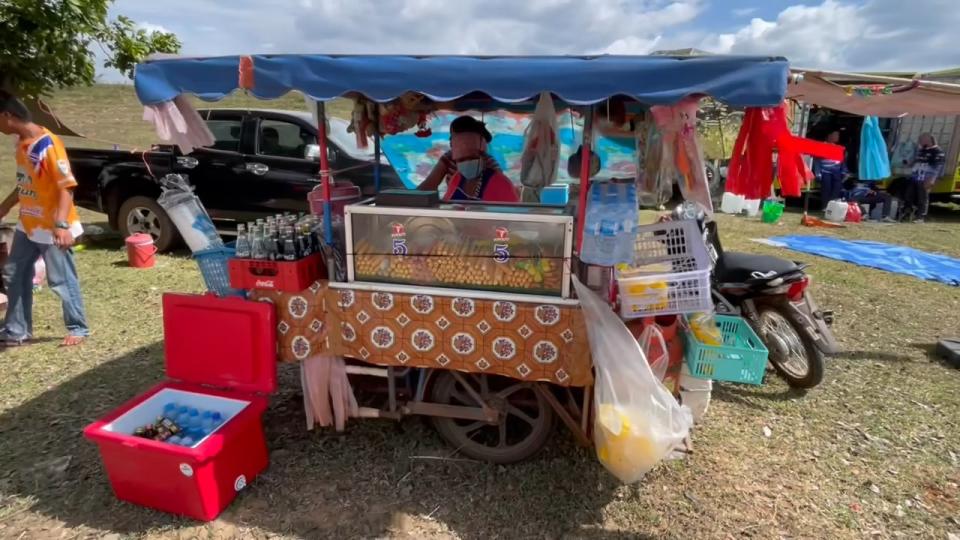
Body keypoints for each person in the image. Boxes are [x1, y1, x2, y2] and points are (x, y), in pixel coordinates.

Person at [0, 91, 89, 346]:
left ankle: (78, 328)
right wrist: (5, 207)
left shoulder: (47, 145)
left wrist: (61, 225)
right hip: (27, 223)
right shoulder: (21, 144)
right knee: (14, 272)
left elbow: (66, 187)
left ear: (7, 115)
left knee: (61, 279)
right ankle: (17, 330)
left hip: (52, 226)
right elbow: (25, 182)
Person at [418, 116, 519, 203]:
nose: (466, 162)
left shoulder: (491, 167)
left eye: (472, 157)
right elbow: (429, 185)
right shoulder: (454, 172)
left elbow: (501, 191)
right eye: (461, 160)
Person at [901, 133, 945, 223]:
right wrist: (908, 163)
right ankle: (906, 214)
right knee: (908, 196)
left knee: (923, 198)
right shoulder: (922, 150)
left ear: (928, 140)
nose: (920, 142)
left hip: (926, 178)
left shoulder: (937, 151)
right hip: (915, 177)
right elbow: (916, 161)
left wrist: (931, 179)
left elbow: (937, 167)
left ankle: (920, 217)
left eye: (921, 140)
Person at [812, 131, 847, 210]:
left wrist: (844, 171)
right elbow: (816, 160)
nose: (837, 137)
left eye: (838, 135)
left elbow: (842, 161)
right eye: (835, 135)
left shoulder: (838, 147)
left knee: (837, 187)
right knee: (826, 188)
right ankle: (825, 206)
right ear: (829, 136)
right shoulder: (822, 146)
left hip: (836, 171)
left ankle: (831, 206)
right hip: (825, 170)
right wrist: (818, 173)